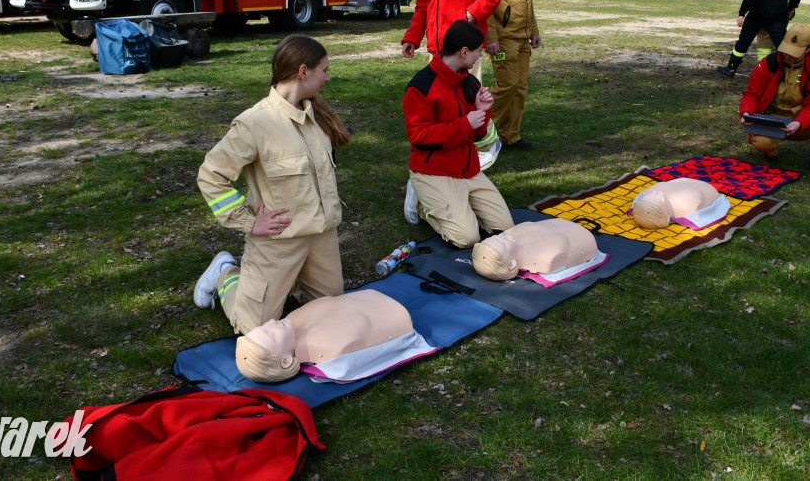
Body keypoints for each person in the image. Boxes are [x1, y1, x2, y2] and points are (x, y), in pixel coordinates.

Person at [193, 34, 352, 335]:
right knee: (253, 329)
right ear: (303, 72)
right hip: (280, 241)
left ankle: (291, 282)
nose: (328, 78)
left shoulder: (314, 115)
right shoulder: (255, 124)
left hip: (321, 236)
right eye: (324, 70)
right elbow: (211, 175)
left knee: (332, 317)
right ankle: (225, 273)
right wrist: (248, 221)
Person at [403, 20, 515, 248]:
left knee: (505, 229)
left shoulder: (470, 82)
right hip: (433, 171)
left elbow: (478, 136)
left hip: (469, 170)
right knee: (466, 239)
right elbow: (419, 137)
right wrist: (465, 123)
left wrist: (482, 113)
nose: (479, 57)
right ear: (463, 52)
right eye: (478, 52)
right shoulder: (420, 86)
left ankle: (457, 206)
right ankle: (421, 204)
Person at [235, 289, 427, 383]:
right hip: (395, 315)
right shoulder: (331, 350)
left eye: (263, 326)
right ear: (285, 361)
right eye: (269, 333)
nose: (270, 322)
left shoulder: (293, 320)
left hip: (374, 301)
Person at [738, 23, 810, 178]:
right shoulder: (768, 63)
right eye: (786, 50)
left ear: (808, 49)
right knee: (762, 142)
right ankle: (770, 152)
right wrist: (746, 112)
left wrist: (798, 123)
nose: (787, 55)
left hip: (801, 123)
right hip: (773, 122)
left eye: (793, 52)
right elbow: (752, 94)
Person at [487, 0, 542, 150]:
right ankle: (479, 132)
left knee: (519, 88)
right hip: (503, 38)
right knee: (506, 85)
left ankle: (511, 135)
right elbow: (485, 1)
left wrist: (534, 30)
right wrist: (490, 37)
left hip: (522, 37)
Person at [472, 219, 597, 281]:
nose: (496, 237)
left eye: (491, 239)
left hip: (567, 228)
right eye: (498, 242)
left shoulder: (510, 235)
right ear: (511, 263)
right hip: (581, 236)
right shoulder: (544, 257)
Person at [631, 178, 729, 230]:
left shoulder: (649, 192)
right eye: (654, 200)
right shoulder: (683, 206)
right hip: (706, 189)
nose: (654, 194)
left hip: (689, 184)